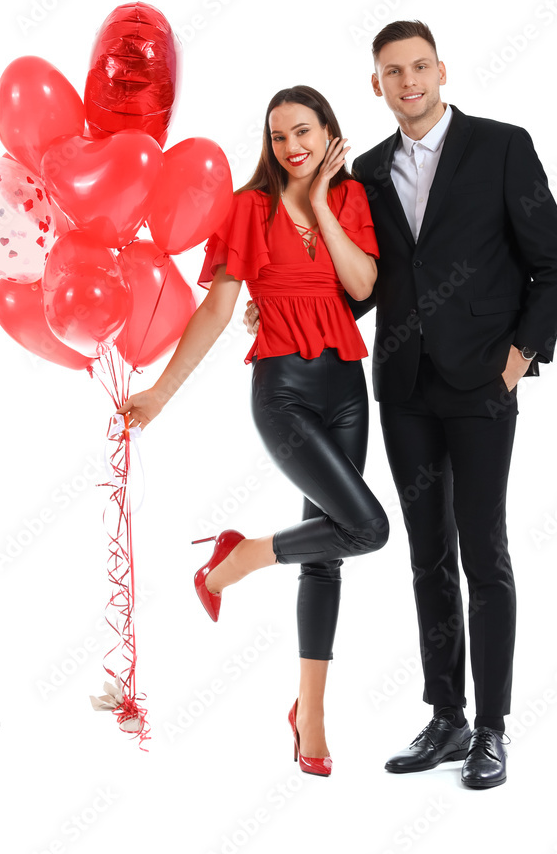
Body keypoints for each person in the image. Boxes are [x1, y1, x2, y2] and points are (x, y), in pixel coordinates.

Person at [245, 21, 557, 788]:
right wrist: (281, 307)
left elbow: (553, 261)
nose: (408, 82)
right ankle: (446, 717)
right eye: (392, 72)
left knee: (482, 554)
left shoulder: (501, 147)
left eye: (419, 67)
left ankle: (491, 728)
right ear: (376, 86)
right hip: (402, 388)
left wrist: (521, 356)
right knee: (425, 556)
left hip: (480, 386)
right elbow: (368, 285)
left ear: (440, 71)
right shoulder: (362, 171)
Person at [119, 85, 389, 778]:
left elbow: (361, 286)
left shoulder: (351, 199)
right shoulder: (249, 208)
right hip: (284, 392)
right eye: (277, 137)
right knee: (366, 526)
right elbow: (214, 312)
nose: (291, 147)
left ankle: (310, 713)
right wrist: (159, 395)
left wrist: (325, 202)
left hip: (346, 390)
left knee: (330, 552)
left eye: (303, 132)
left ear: (328, 132)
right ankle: (235, 561)